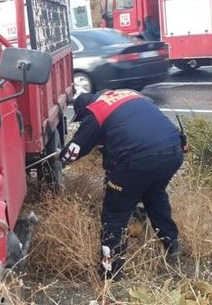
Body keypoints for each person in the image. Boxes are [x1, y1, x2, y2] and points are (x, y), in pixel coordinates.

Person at [60, 89, 185, 279]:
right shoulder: (127, 94)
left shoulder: (95, 111)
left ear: (84, 110)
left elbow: (74, 151)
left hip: (139, 161)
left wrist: (56, 159)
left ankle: (111, 271)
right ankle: (172, 245)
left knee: (114, 215)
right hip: (173, 152)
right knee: (155, 196)